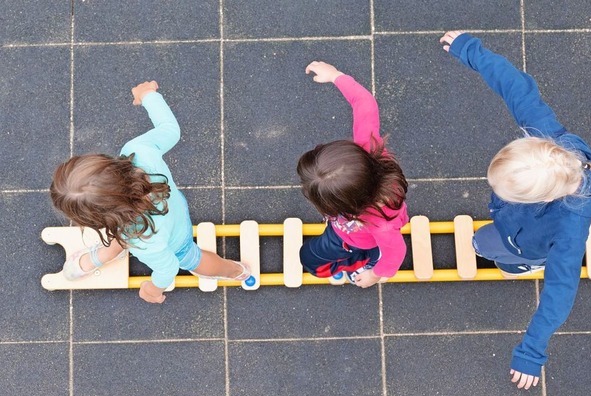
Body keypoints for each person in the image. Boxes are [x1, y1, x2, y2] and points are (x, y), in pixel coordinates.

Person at [439, 31, 591, 389]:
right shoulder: (546, 138)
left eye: (504, 191)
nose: (494, 191)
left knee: (495, 252)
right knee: (482, 242)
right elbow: (516, 87)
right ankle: (511, 247)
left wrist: (531, 353)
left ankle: (526, 262)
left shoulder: (570, 229)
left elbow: (560, 291)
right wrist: (470, 51)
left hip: (526, 241)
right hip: (514, 222)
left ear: (540, 199)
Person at [50, 81, 250, 303]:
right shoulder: (137, 152)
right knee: (128, 233)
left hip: (173, 238)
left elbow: (169, 268)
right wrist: (148, 95)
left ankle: (234, 270)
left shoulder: (142, 239)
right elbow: (169, 130)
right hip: (171, 205)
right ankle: (108, 252)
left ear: (97, 219)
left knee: (191, 258)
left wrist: (154, 289)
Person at [297, 61, 409, 288]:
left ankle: (363, 260)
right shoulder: (368, 148)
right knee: (311, 252)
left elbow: (396, 252)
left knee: (309, 260)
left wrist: (375, 275)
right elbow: (364, 102)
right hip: (351, 227)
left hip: (354, 240)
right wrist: (336, 76)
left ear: (346, 206)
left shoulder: (380, 225)